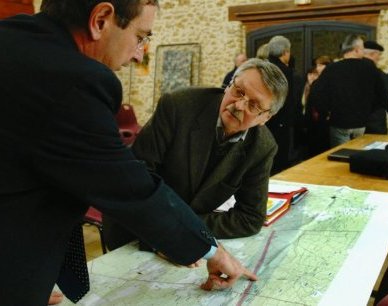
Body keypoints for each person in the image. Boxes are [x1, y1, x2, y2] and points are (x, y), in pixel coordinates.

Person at [0, 1, 256, 305]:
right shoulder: (74, 81)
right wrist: (211, 250)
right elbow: (129, 187)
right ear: (101, 19)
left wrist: (28, 274)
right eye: (140, 37)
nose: (139, 54)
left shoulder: (13, 40)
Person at [104, 58, 288, 250]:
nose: (239, 105)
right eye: (238, 91)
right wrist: (173, 233)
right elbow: (137, 180)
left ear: (266, 118)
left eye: (254, 105)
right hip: (135, 231)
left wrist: (185, 230)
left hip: (183, 239)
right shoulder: (178, 106)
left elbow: (250, 218)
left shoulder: (262, 147)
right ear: (228, 85)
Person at [309, 34, 387, 147]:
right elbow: (382, 94)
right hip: (360, 122)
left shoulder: (332, 68)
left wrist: (325, 112)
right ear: (356, 50)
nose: (363, 52)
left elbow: (316, 93)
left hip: (339, 122)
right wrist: (367, 111)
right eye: (362, 49)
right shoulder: (369, 67)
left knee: (340, 157)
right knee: (358, 156)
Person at [266, 35, 304, 173]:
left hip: (264, 118)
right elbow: (289, 100)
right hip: (281, 120)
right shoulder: (285, 72)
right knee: (280, 159)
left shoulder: (264, 67)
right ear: (285, 52)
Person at [363, 40, 388, 134]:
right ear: (372, 54)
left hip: (354, 122)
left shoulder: (350, 72)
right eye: (378, 55)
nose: (379, 58)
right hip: (375, 121)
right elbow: (387, 97)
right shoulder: (379, 75)